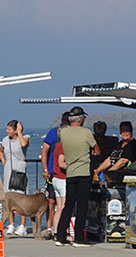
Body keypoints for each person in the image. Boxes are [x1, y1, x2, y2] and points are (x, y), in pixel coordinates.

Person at [55, 106, 101, 247]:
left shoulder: (64, 133)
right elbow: (97, 150)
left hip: (70, 172)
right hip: (84, 171)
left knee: (68, 204)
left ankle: (61, 235)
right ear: (81, 119)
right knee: (82, 204)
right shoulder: (86, 132)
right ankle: (79, 237)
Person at [40, 112, 70, 239]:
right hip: (54, 172)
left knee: (60, 203)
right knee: (52, 202)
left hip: (64, 175)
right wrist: (45, 169)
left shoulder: (70, 135)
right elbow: (44, 151)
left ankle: (58, 230)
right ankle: (50, 228)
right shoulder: (54, 133)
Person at [0, 120, 30, 235]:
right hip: (9, 169)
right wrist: (3, 161)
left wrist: (20, 133)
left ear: (16, 130)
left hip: (20, 168)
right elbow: (0, 151)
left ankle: (22, 225)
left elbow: (23, 145)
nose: (7, 131)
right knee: (9, 197)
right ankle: (11, 224)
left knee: (21, 196)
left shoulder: (25, 138)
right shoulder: (5, 140)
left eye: (9, 129)